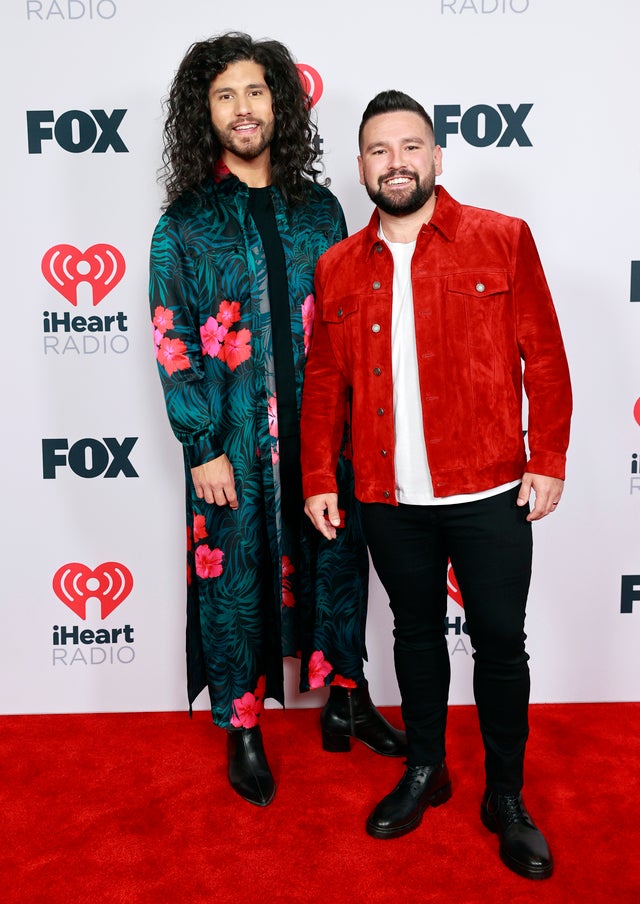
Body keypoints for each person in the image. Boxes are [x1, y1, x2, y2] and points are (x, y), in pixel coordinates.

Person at [301, 90, 571, 879]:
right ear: (360, 166)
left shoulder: (501, 239)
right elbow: (324, 387)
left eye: (410, 146)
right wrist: (321, 475)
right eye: (379, 150)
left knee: (500, 645)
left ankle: (507, 797)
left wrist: (547, 459)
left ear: (437, 157)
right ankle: (427, 768)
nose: (396, 163)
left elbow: (546, 361)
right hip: (389, 498)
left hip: (489, 491)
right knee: (414, 639)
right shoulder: (339, 267)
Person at [148, 36, 405, 808]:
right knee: (233, 584)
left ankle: (346, 698)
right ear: (206, 112)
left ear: (279, 104)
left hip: (326, 434)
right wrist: (201, 445)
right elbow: (172, 335)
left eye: (255, 92)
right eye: (224, 95)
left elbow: (351, 324)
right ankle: (244, 726)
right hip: (231, 443)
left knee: (337, 563)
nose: (242, 109)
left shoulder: (319, 209)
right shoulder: (184, 224)